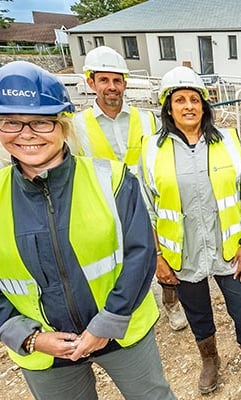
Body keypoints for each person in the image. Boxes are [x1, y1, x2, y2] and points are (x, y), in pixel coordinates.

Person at [0, 61, 175, 399]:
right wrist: (30, 337)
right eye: (11, 122)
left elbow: (139, 254)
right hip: (45, 348)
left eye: (40, 121)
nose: (26, 133)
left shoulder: (112, 179)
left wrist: (107, 323)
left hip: (121, 332)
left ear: (62, 126)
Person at [139, 66, 241, 396]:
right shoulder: (152, 150)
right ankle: (210, 360)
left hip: (230, 251)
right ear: (168, 108)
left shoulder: (229, 143)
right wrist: (158, 256)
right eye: (179, 100)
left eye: (194, 99)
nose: (188, 106)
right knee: (197, 312)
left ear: (204, 105)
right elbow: (147, 210)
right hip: (182, 256)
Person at [73, 45, 188, 332]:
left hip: (148, 202)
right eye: (104, 80)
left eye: (117, 80)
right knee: (119, 261)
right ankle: (126, 308)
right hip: (106, 207)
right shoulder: (78, 126)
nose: (111, 87)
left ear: (125, 83)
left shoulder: (147, 119)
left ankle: (171, 303)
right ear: (91, 82)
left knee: (163, 252)